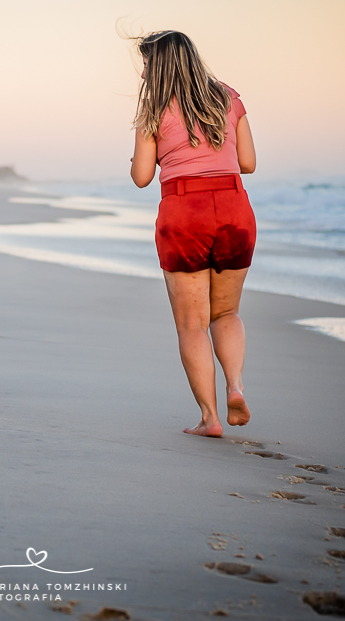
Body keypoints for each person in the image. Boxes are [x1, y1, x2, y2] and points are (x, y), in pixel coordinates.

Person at [129, 31, 257, 438]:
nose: (144, 71)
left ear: (162, 65)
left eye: (147, 63)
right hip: (234, 207)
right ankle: (235, 386)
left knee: (191, 323)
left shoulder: (153, 108)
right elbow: (248, 163)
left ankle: (210, 418)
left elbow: (142, 178)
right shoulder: (228, 97)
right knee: (227, 313)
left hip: (185, 212)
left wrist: (141, 154)